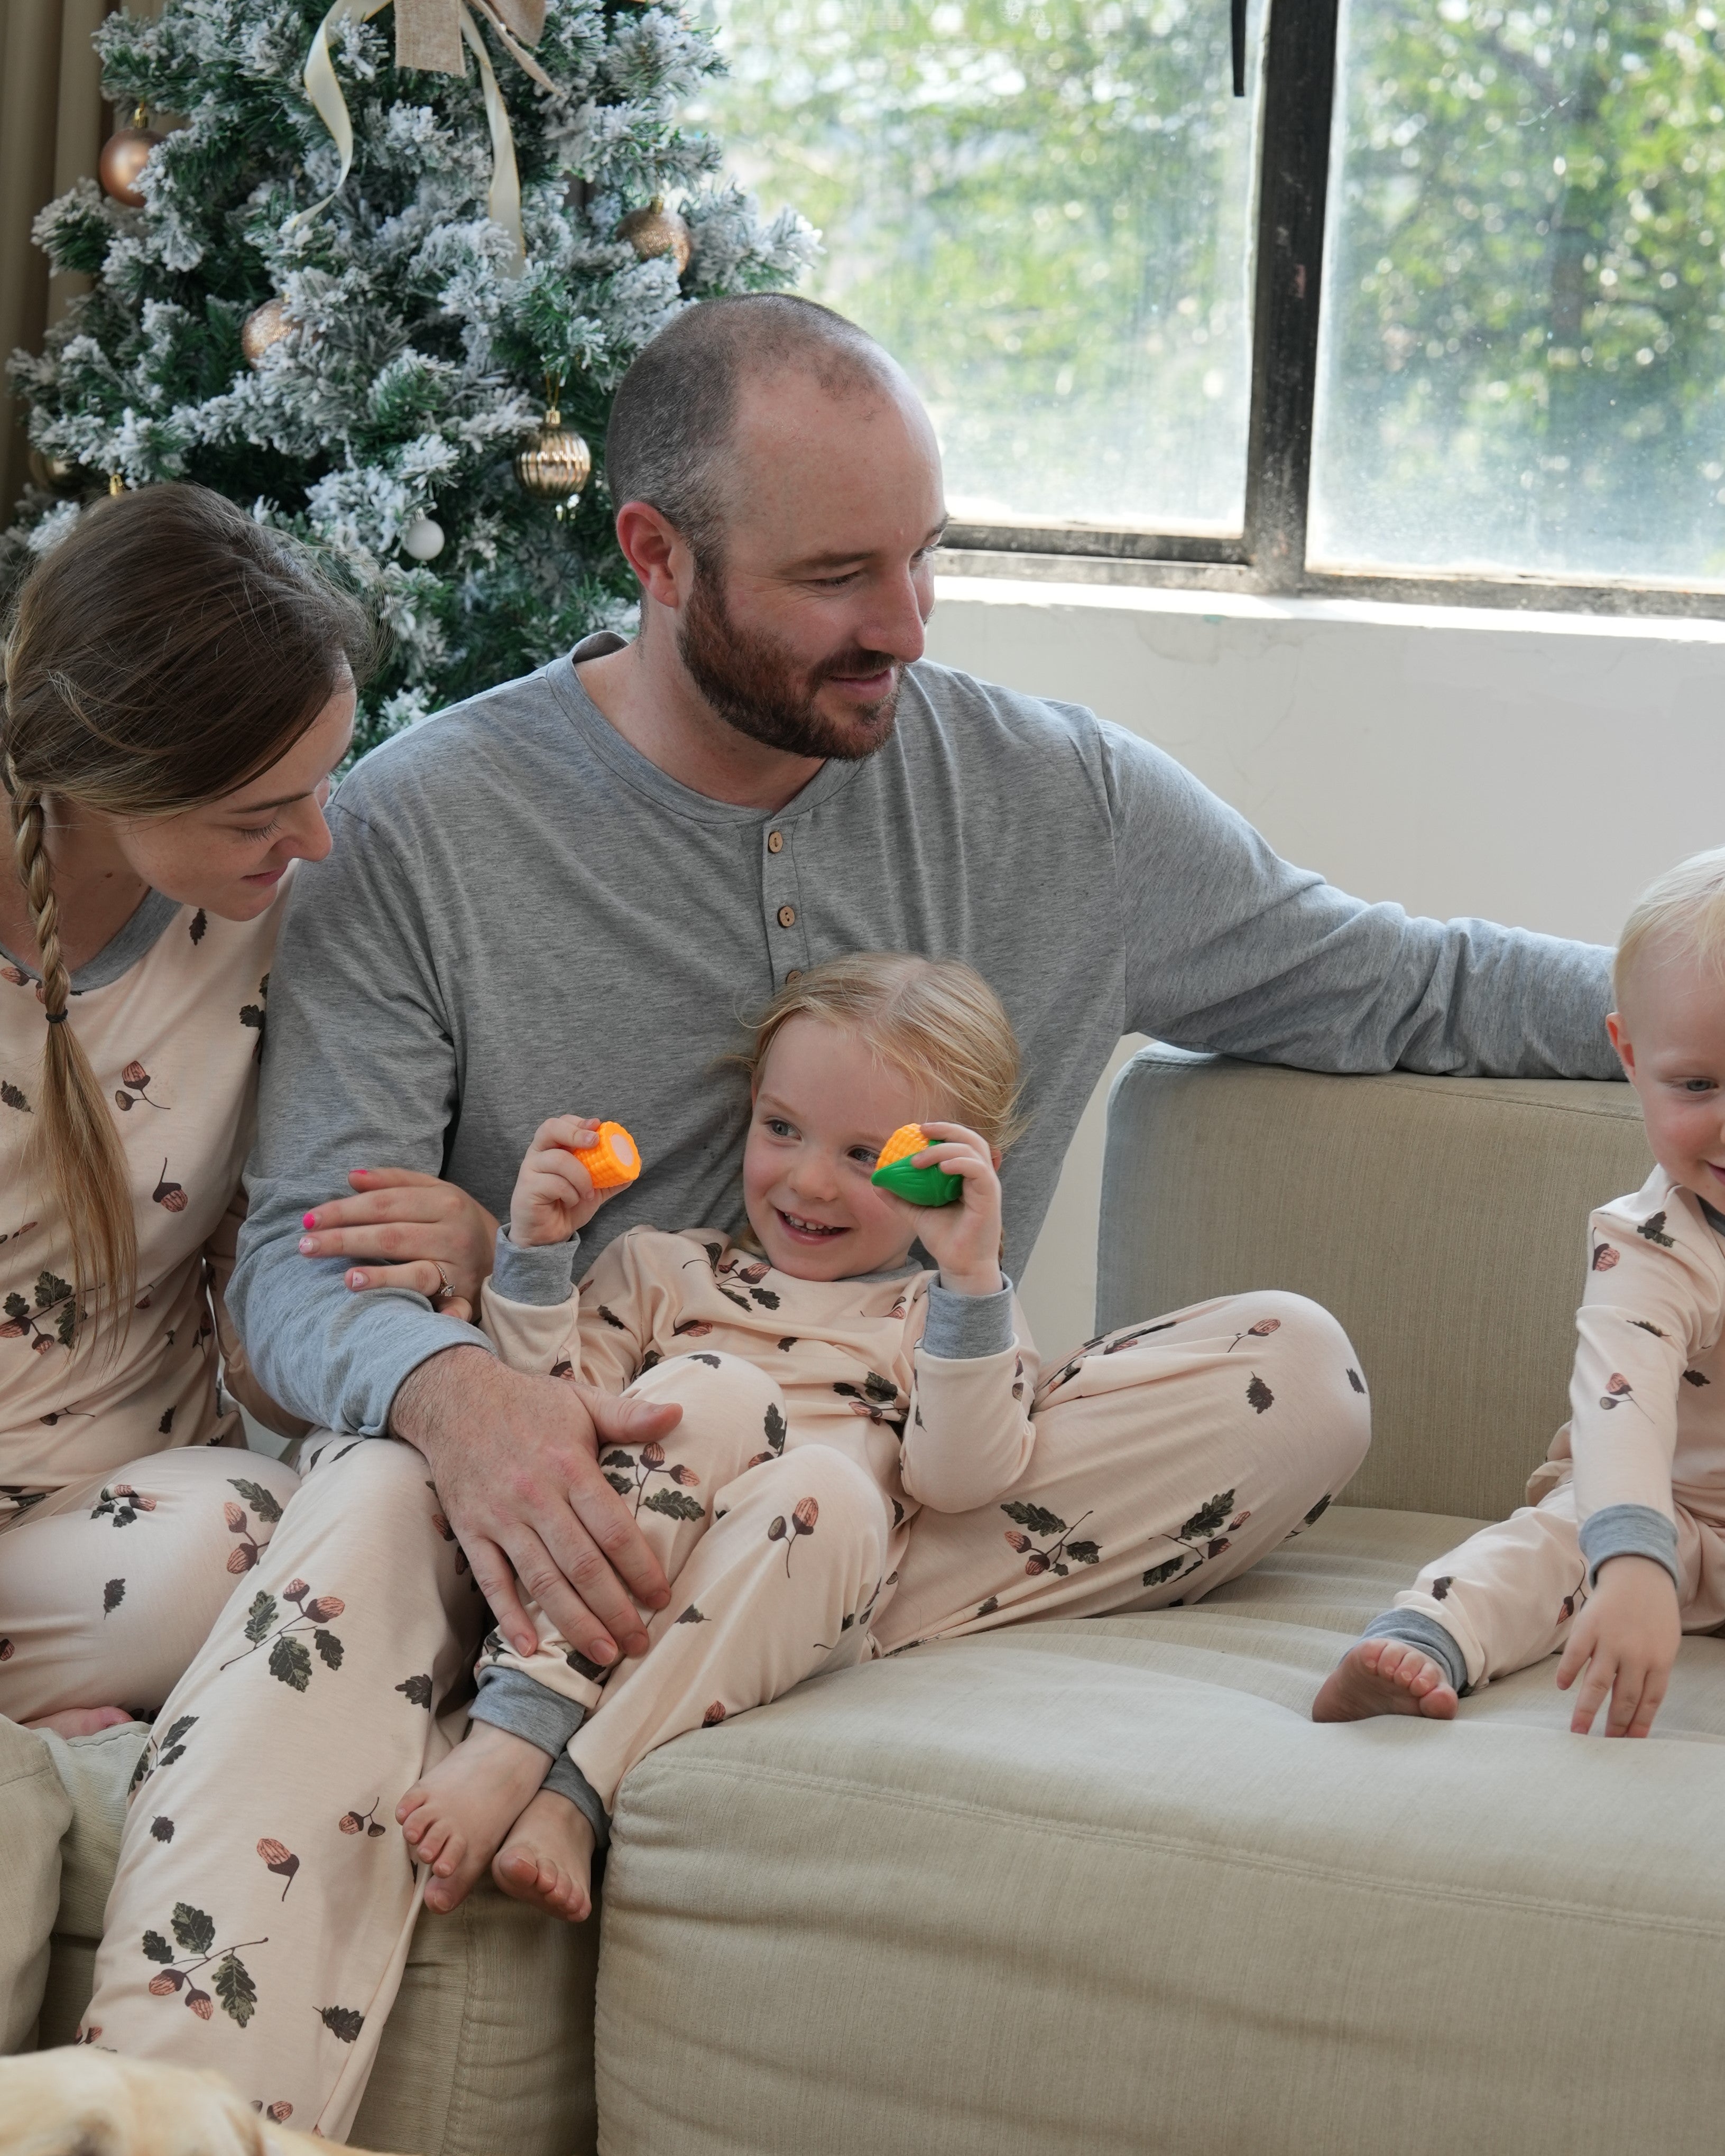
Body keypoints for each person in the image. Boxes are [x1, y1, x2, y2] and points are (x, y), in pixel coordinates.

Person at [177, 290, 1608, 2130]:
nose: (907, 630)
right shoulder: (419, 832)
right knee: (379, 1483)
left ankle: (762, 1606)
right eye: (842, 575)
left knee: (1293, 1378)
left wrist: (1687, 1013)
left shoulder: (1058, 802)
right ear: (655, 555)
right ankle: (173, 2103)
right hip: (585, 1486)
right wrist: (465, 1403)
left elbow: (1399, 983)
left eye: (928, 558)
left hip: (908, 1476)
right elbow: (307, 1282)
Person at [392, 952, 1366, 1922]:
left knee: (837, 1495)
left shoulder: (943, 1318)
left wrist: (971, 1281)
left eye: (864, 1157)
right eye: (782, 1129)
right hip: (629, 1552)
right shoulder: (663, 1267)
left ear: (947, 1175)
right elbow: (551, 1422)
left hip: (800, 1587)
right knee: (714, 1392)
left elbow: (962, 1478)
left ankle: (580, 1793)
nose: (809, 1181)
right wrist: (535, 1256)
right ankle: (522, 1722)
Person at [0, 486, 499, 2131]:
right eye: (260, 811)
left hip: (132, 1521)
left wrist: (470, 1232)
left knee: (258, 1534)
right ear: (107, 779)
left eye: (323, 785)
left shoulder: (270, 921)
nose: (316, 843)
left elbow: (305, 1238)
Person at [1314, 850, 1725, 1738]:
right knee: (1558, 1543)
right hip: (1666, 1512)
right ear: (1629, 1055)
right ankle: (1430, 1636)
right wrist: (1636, 1561)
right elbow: (1624, 1409)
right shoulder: (1651, 1242)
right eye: (1698, 1085)